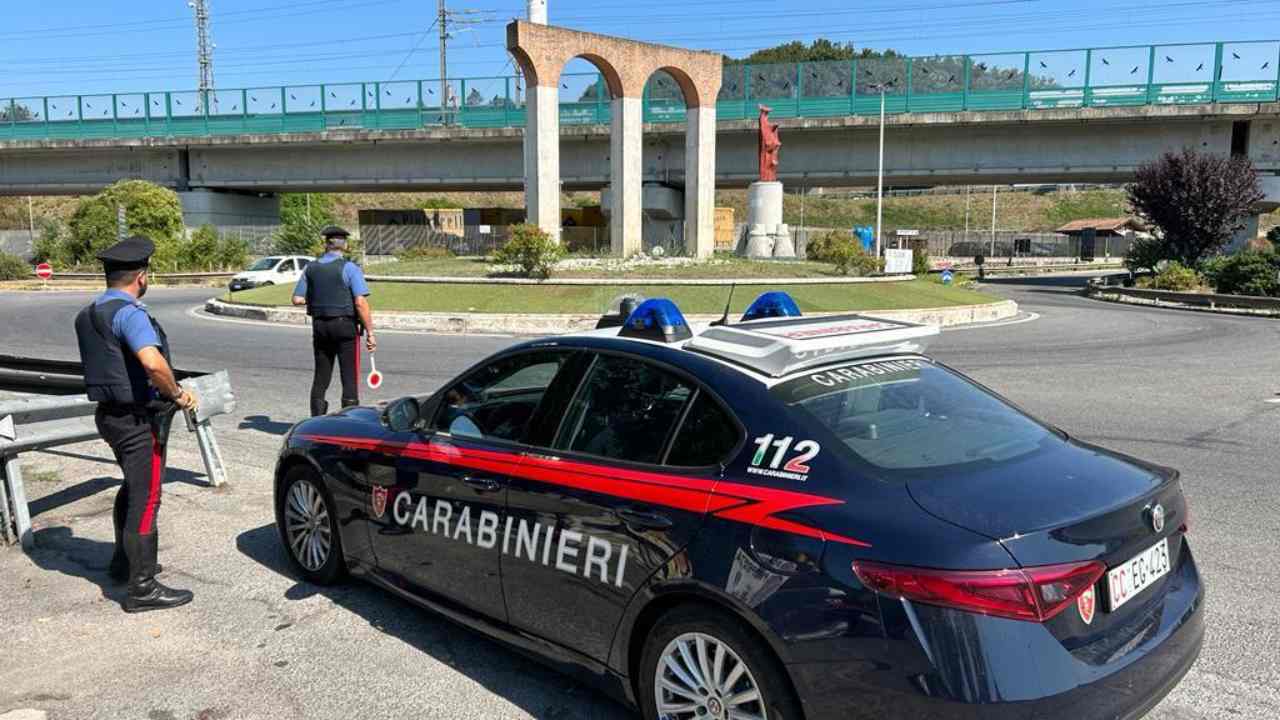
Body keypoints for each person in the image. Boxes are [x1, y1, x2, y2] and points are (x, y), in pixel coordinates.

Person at [73, 235, 200, 613]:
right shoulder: (130, 313)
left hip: (109, 416)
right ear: (141, 277)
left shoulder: (89, 312)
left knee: (132, 488)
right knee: (147, 498)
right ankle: (142, 588)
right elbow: (152, 362)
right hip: (136, 420)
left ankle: (124, 563)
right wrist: (177, 394)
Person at [292, 226, 376, 416]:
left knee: (321, 376)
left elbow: (297, 299)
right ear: (344, 245)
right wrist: (370, 332)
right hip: (345, 326)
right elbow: (360, 302)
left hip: (320, 326)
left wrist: (318, 299)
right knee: (349, 376)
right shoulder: (349, 267)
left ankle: (317, 420)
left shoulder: (310, 268)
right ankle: (349, 422)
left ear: (326, 244)